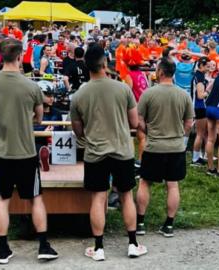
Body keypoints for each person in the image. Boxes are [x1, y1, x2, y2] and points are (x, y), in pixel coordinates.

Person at [0, 38, 58, 264]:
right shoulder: (31, 86)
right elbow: (40, 117)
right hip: (25, 150)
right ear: (20, 55)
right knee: (35, 198)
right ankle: (43, 245)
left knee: (2, 200)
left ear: (1, 55)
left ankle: (3, 250)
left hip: (0, 150)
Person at [70, 44, 147, 261]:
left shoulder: (79, 94)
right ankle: (132, 243)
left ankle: (99, 247)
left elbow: (77, 129)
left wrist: (87, 137)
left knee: (98, 197)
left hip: (95, 151)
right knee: (126, 196)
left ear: (86, 66)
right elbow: (134, 122)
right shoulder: (122, 89)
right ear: (105, 63)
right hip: (122, 150)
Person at [136, 57, 194, 238]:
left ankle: (140, 223)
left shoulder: (149, 94)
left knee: (145, 182)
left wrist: (148, 131)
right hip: (176, 146)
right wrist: (180, 135)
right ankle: (169, 224)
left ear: (160, 72)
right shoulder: (183, 95)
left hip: (154, 146)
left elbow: (138, 120)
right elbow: (189, 123)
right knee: (173, 185)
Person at [190, 57, 211, 166]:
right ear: (201, 65)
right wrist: (209, 90)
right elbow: (200, 95)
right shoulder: (199, 77)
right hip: (200, 107)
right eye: (207, 66)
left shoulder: (199, 75)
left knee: (204, 133)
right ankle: (195, 159)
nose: (208, 68)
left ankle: (201, 156)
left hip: (201, 107)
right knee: (200, 134)